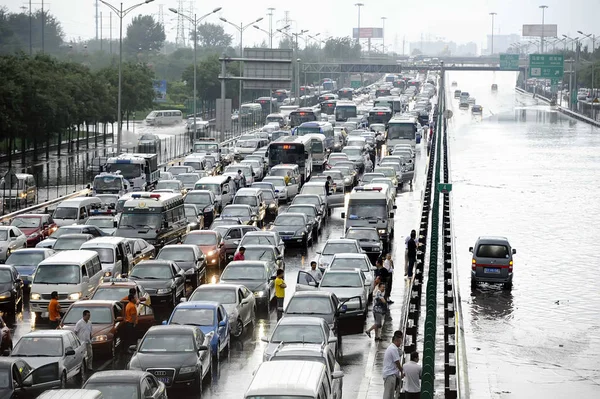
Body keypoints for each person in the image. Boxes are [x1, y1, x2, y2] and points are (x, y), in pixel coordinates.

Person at [382, 331, 404, 399]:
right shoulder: (393, 349)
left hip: (390, 374)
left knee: (390, 395)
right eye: (400, 341)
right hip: (390, 375)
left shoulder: (392, 348)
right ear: (397, 340)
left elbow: (400, 353)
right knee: (388, 395)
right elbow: (397, 362)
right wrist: (402, 371)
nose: (401, 343)